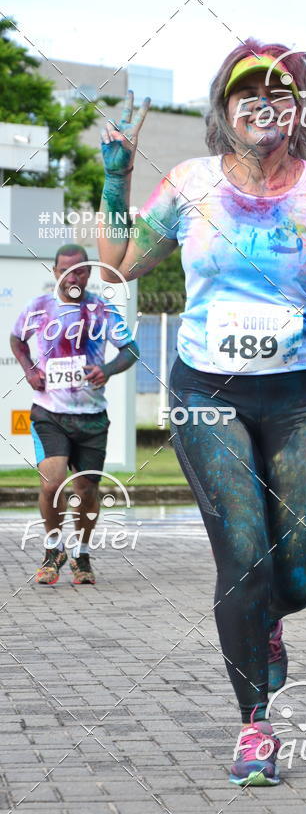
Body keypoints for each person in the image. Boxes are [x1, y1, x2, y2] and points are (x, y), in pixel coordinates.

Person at [97, 40, 306, 787]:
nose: (262, 101)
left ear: (298, 109)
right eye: (246, 91)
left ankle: (267, 622)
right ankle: (255, 725)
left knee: (301, 573)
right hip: (205, 393)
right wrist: (116, 176)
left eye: (278, 92)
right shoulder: (190, 186)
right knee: (244, 553)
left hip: (300, 397)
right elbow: (117, 264)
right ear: (226, 108)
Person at [10, 244, 139, 585]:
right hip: (49, 412)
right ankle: (54, 551)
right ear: (55, 272)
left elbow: (131, 350)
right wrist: (29, 369)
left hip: (91, 417)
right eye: (66, 271)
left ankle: (81, 554)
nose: (74, 277)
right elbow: (16, 340)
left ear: (89, 272)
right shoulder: (39, 309)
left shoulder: (102, 309)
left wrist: (108, 369)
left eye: (81, 270)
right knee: (52, 483)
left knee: (85, 492)